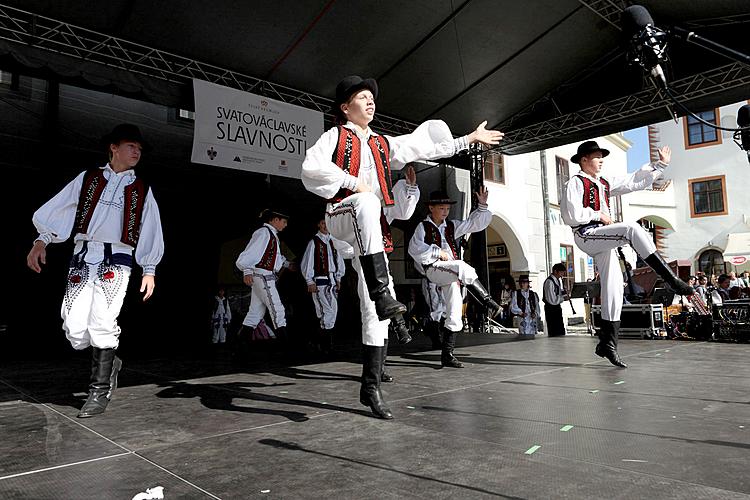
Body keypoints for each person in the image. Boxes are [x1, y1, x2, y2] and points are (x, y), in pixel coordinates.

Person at [302, 75, 502, 418]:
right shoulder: (334, 136)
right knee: (366, 203)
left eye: (371, 97)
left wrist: (468, 138)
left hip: (370, 236)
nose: (369, 101)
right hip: (341, 213)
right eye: (361, 97)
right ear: (344, 107)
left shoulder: (382, 143)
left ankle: (370, 388)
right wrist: (353, 182)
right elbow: (310, 170)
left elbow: (424, 147)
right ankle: (383, 294)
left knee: (373, 315)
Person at [26, 123, 164, 418]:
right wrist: (42, 240)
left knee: (103, 323)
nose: (136, 152)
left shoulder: (142, 189)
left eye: (139, 149)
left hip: (118, 259)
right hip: (83, 256)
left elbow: (150, 229)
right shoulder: (87, 178)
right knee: (75, 331)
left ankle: (98, 391)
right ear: (113, 148)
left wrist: (149, 268)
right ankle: (111, 361)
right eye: (131, 146)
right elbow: (59, 208)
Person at [561, 141, 692, 368]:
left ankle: (608, 343)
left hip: (600, 239)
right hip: (586, 235)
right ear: (583, 159)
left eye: (602, 156)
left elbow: (632, 181)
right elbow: (570, 214)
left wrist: (659, 165)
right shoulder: (574, 182)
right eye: (596, 156)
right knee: (631, 229)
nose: (601, 160)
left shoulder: (603, 183)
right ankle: (671, 279)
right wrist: (598, 214)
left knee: (613, 285)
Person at [408, 189, 501, 368]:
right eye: (441, 208)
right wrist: (437, 252)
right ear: (431, 208)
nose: (445, 212)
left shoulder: (451, 226)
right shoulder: (423, 227)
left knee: (455, 310)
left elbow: (472, 224)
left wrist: (482, 205)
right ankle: (488, 302)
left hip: (449, 274)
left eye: (447, 209)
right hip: (432, 269)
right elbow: (414, 249)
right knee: (460, 266)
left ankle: (447, 354)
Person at [236, 209, 293, 343]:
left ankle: (239, 347)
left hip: (263, 276)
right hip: (263, 276)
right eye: (284, 222)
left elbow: (275, 257)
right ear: (274, 220)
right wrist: (247, 270)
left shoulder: (271, 235)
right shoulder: (263, 233)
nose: (285, 225)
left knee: (255, 313)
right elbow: (250, 253)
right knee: (277, 309)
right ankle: (286, 346)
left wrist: (286, 264)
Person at [301, 217, 346, 354]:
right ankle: (324, 345)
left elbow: (339, 260)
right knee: (327, 312)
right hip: (320, 280)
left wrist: (338, 277)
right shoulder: (314, 242)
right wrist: (310, 280)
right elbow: (307, 262)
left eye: (326, 223)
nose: (325, 225)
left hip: (332, 280)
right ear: (318, 225)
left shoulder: (334, 242)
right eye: (322, 223)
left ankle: (319, 343)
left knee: (331, 312)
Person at [543, 263, 568, 337]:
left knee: (560, 330)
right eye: (561, 272)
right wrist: (563, 298)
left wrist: (565, 294)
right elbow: (552, 299)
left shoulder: (556, 281)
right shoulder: (549, 282)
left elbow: (558, 293)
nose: (562, 274)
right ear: (555, 271)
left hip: (556, 308)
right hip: (551, 309)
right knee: (554, 331)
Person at [421, 277, 445, 349]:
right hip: (431, 279)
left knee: (444, 308)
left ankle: (443, 340)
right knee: (435, 311)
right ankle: (436, 341)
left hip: (442, 279)